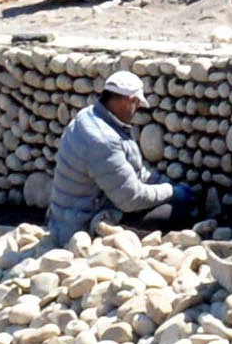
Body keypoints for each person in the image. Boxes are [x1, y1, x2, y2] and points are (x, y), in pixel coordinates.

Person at [39, 68, 188, 244]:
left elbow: (133, 171)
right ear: (129, 101)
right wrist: (173, 192)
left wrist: (163, 182)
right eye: (137, 105)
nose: (137, 110)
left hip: (72, 215)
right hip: (82, 225)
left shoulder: (90, 117)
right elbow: (131, 198)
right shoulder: (103, 141)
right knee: (176, 213)